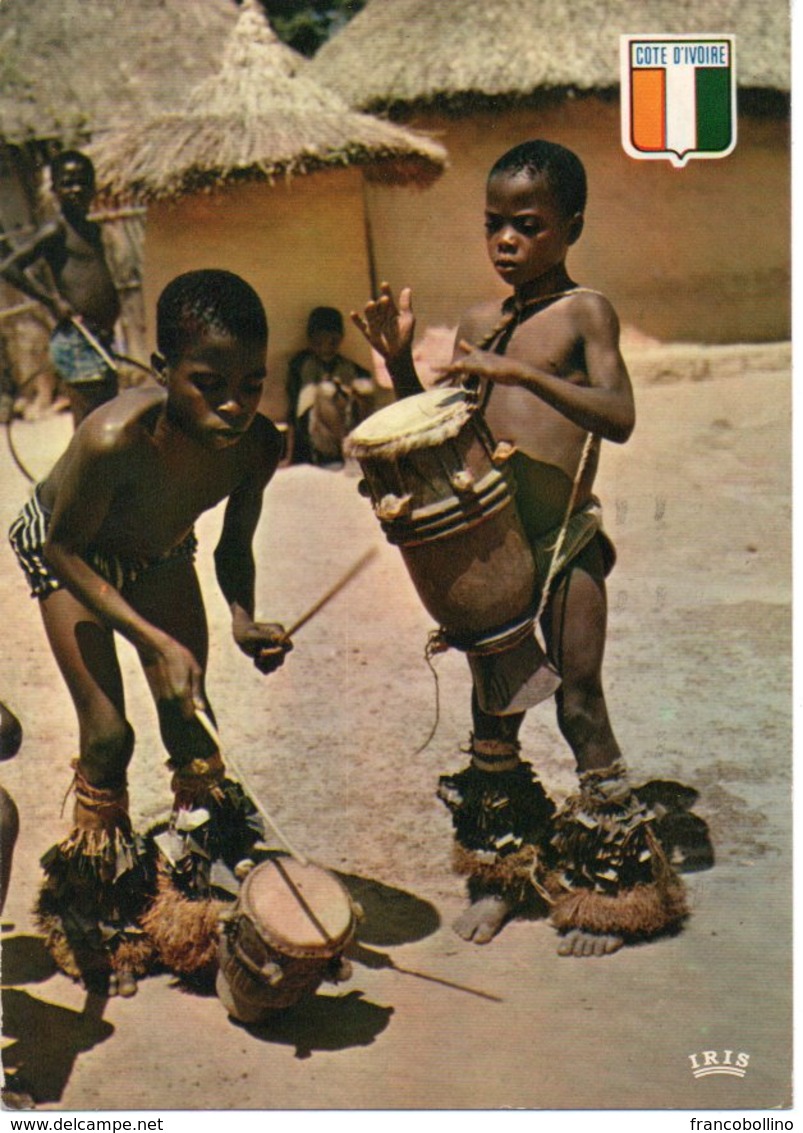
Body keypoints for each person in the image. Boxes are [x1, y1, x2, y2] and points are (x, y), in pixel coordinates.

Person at [352, 140, 687, 958]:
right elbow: (439, 435)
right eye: (493, 225)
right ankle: (501, 877)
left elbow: (618, 414)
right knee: (493, 713)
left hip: (564, 539)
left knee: (577, 702)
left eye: (526, 226)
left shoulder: (584, 313)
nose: (505, 240)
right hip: (491, 545)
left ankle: (612, 890)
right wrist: (400, 365)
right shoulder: (475, 324)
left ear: (568, 228)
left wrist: (524, 374)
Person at [8, 269, 292, 995]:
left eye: (252, 382)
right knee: (108, 735)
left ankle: (190, 894)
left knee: (190, 725)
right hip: (69, 550)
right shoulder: (112, 438)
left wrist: (242, 619)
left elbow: (232, 546)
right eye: (208, 382)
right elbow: (63, 549)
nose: (234, 404)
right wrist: (155, 640)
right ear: (163, 371)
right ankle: (95, 910)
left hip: (162, 550)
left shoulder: (258, 446)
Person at [0, 150, 121, 427]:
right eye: (67, 183)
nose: (76, 189)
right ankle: (84, 471)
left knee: (106, 418)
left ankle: (97, 470)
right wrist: (53, 301)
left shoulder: (92, 231)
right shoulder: (56, 231)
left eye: (82, 181)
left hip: (99, 337)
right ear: (54, 189)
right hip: (78, 338)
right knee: (90, 423)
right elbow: (9, 267)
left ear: (93, 186)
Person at [286, 305, 375, 466]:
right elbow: (293, 412)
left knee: (364, 389)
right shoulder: (301, 366)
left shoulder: (352, 369)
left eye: (332, 342)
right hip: (317, 441)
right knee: (325, 391)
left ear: (341, 339)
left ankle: (358, 449)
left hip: (348, 434)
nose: (325, 348)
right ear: (310, 340)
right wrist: (289, 457)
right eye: (319, 342)